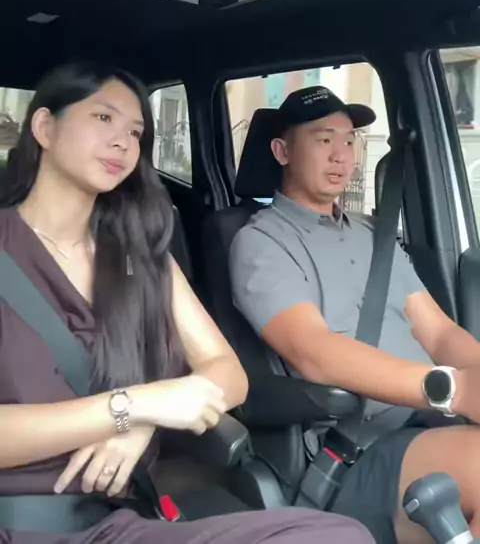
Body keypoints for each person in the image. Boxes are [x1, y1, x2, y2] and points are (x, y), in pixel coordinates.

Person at [0, 63, 373, 544]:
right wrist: (132, 407)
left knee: (340, 535)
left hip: (114, 523)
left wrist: (143, 423)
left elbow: (229, 374)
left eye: (135, 132)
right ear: (45, 127)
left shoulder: (141, 256)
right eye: (103, 118)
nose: (123, 142)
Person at [229, 84, 480, 544]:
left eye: (349, 141)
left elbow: (440, 333)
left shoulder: (372, 235)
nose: (341, 155)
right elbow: (314, 352)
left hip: (429, 419)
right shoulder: (261, 242)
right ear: (282, 151)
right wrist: (455, 390)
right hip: (356, 446)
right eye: (324, 139)